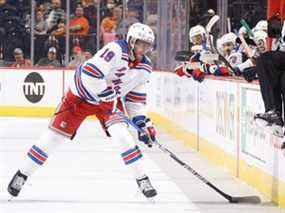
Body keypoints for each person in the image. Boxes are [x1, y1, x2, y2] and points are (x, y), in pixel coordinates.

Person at [8, 23, 158, 199]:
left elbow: (135, 99)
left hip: (108, 102)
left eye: (148, 45)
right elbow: (89, 73)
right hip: (81, 97)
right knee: (53, 139)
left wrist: (142, 121)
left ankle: (142, 179)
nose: (144, 49)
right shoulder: (115, 50)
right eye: (141, 43)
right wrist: (105, 93)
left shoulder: (145, 67)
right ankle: (22, 174)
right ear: (131, 41)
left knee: (123, 136)